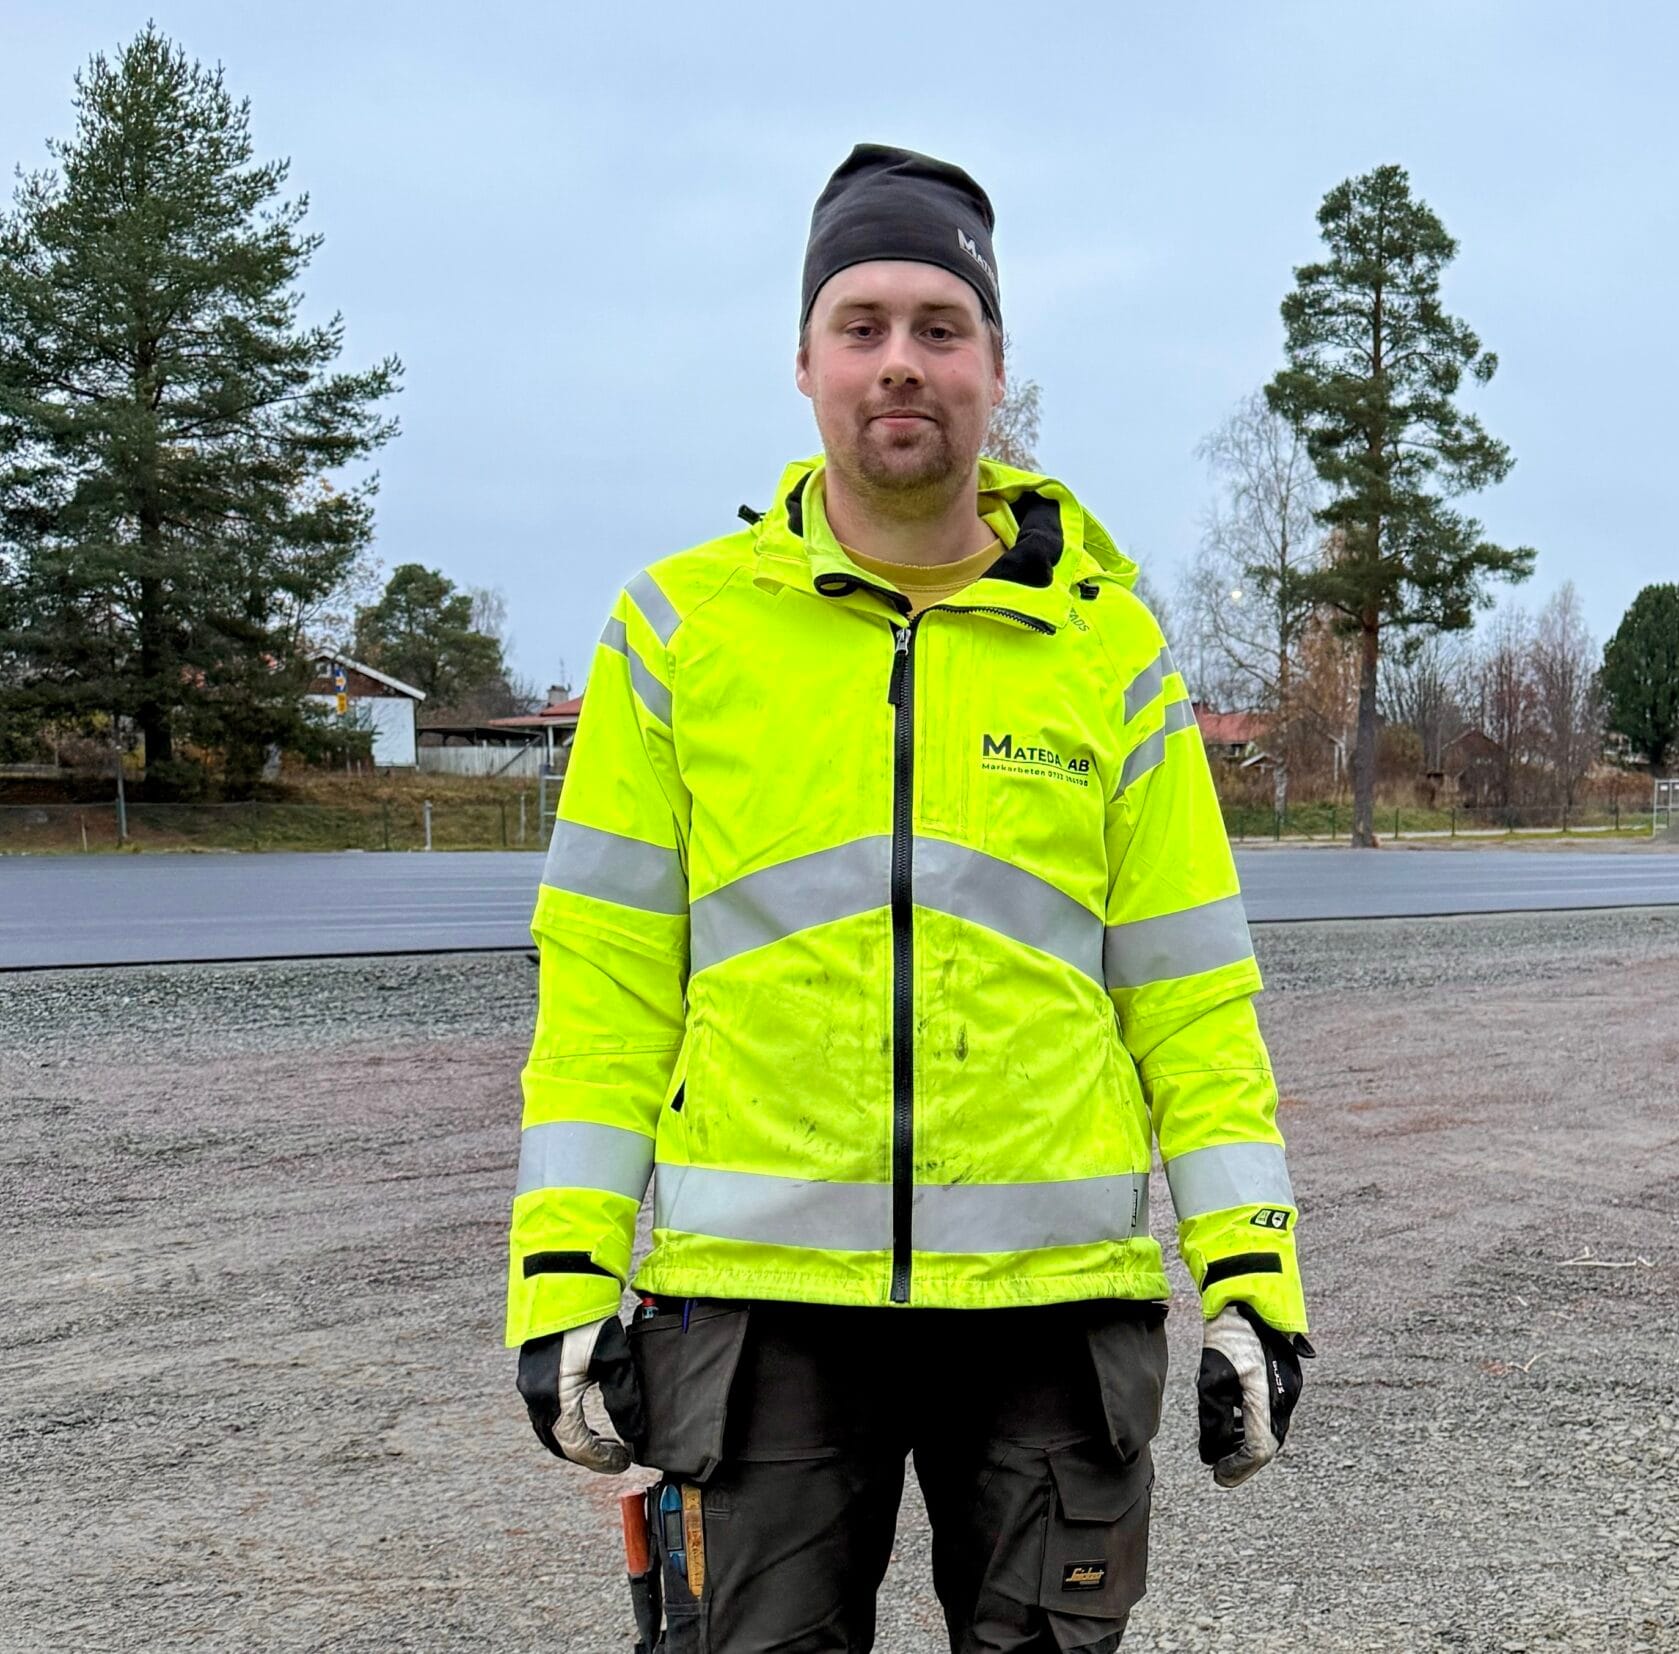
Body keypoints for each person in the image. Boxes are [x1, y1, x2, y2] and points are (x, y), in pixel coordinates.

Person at [504, 143, 1311, 1654]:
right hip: (757, 1315)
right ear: (803, 359)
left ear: (997, 367)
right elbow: (607, 988)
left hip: (1047, 1316)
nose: (900, 362)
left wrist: (1254, 1276)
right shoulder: (677, 638)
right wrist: (561, 1270)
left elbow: (1193, 998)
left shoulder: (1109, 655)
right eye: (862, 323)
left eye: (940, 326)